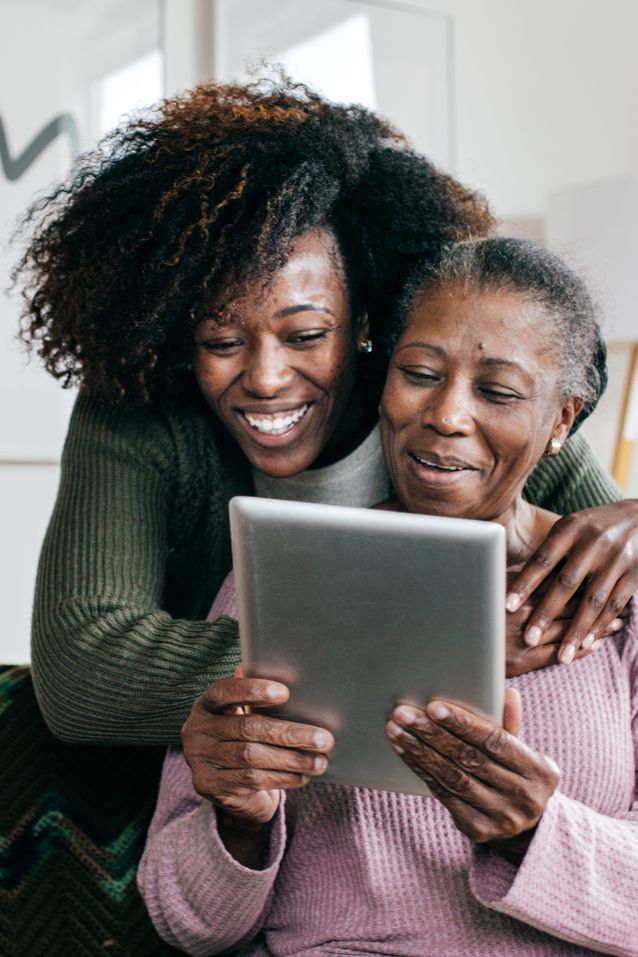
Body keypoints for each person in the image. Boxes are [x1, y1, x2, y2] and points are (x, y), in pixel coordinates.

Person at [13, 79, 638, 750]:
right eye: (221, 342)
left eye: (307, 335)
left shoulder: (452, 401)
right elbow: (84, 674)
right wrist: (427, 641)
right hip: (224, 784)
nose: (267, 377)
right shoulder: (142, 407)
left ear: (365, 322)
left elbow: (601, 565)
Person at [138, 238, 638, 956]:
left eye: (496, 391)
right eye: (420, 373)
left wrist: (536, 830)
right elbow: (184, 919)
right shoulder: (281, 571)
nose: (446, 414)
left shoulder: (623, 597)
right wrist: (236, 820)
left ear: (562, 419)